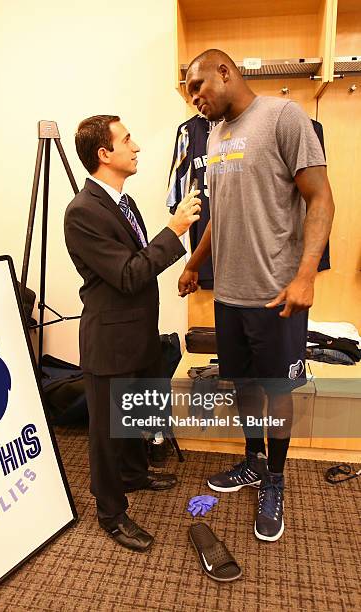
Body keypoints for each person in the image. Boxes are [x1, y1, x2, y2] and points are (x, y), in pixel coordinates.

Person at [178, 50, 335, 542]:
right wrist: (194, 263)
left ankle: (275, 478)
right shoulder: (217, 135)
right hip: (229, 292)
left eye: (199, 87)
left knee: (277, 391)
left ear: (225, 72)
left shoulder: (283, 117)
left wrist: (306, 274)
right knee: (243, 384)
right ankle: (252, 460)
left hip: (275, 294)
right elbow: (218, 215)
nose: (195, 99)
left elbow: (321, 198)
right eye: (189, 93)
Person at [64, 115, 200, 551]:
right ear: (104, 154)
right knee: (106, 432)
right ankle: (111, 512)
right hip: (109, 339)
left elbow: (139, 265)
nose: (136, 146)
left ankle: (135, 475)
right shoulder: (82, 212)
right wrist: (176, 230)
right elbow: (126, 275)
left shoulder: (124, 202)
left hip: (138, 332)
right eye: (127, 140)